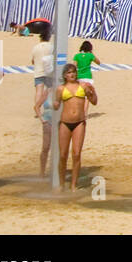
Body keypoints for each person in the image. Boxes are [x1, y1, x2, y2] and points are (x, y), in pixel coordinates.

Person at [53, 62, 98, 191]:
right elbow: (56, 104)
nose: (72, 74)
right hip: (65, 123)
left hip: (79, 122)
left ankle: (74, 185)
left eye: (73, 72)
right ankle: (61, 184)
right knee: (62, 155)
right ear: (65, 75)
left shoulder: (83, 86)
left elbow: (94, 101)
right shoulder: (61, 89)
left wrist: (92, 93)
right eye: (69, 72)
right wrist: (54, 104)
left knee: (77, 154)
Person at [30, 25, 54, 119]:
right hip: (49, 72)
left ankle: (37, 110)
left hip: (38, 71)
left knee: (38, 91)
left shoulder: (35, 47)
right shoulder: (51, 47)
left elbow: (32, 61)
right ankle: (49, 109)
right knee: (49, 91)